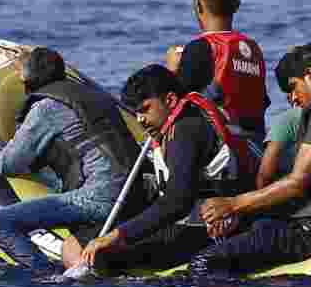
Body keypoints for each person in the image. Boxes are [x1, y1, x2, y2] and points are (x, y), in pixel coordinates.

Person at [0, 47, 144, 271]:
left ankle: (44, 278)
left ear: (24, 77)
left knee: (0, 223)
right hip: (134, 191)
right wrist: (28, 64)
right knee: (71, 245)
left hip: (101, 198)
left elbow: (4, 164)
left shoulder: (46, 108)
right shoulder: (94, 95)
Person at [193, 43, 311, 276]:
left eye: (293, 87)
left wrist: (231, 204)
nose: (294, 98)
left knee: (203, 262)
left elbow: (297, 184)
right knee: (256, 228)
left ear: (310, 75)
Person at [62, 64, 258, 273]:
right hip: (200, 223)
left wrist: (117, 235)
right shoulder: (188, 117)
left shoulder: (186, 131)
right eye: (136, 112)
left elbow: (177, 202)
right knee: (86, 239)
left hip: (201, 232)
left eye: (145, 109)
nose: (140, 120)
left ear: (170, 100)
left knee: (84, 249)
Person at [164, 0, 270, 141]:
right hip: (254, 143)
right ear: (237, 5)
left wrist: (171, 70)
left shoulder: (200, 48)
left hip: (220, 145)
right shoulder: (253, 49)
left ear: (198, 5)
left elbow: (173, 104)